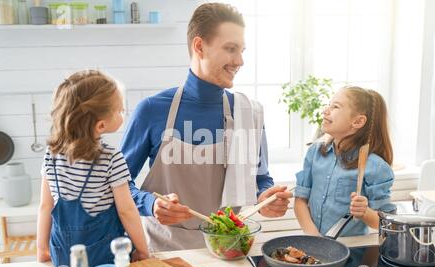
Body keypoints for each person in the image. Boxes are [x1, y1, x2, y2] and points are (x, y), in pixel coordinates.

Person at [120, 3, 292, 251]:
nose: (240, 60)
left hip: (229, 248)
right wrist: (150, 204)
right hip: (163, 251)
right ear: (199, 46)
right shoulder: (152, 110)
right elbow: (118, 184)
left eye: (242, 51)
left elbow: (261, 179)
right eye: (231, 49)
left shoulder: (248, 112)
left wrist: (267, 198)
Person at [37, 70, 150, 267]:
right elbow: (127, 211)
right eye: (120, 111)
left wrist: (41, 249)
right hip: (104, 257)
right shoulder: (111, 158)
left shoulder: (51, 154)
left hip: (63, 254)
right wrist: (142, 250)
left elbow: (45, 206)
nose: (123, 114)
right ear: (100, 125)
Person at [294, 86, 396, 237]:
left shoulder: (376, 167)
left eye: (335, 107)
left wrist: (365, 213)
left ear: (358, 121)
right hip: (315, 248)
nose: (325, 111)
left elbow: (386, 223)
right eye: (329, 105)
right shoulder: (314, 152)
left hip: (351, 254)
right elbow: (300, 201)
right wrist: (314, 238)